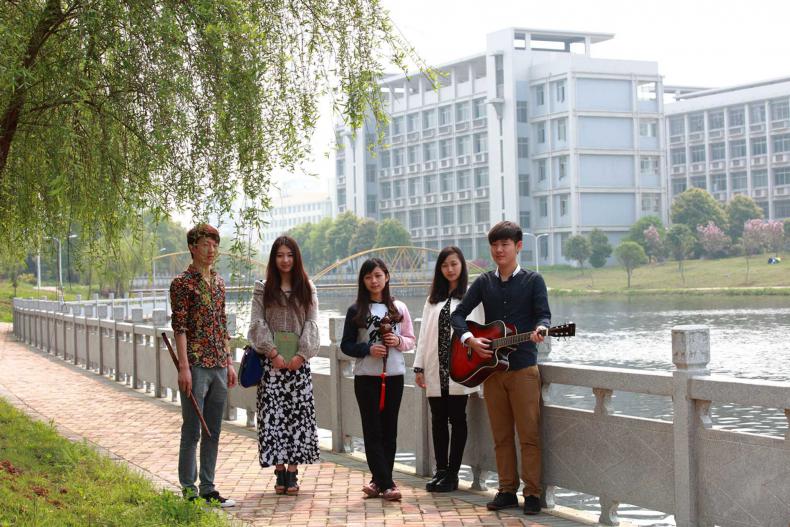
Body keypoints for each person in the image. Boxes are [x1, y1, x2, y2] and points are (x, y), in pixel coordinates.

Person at [450, 221, 551, 516]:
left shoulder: (534, 281)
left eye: (505, 244)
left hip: (523, 370)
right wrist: (470, 339)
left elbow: (543, 315)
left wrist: (541, 329)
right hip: (491, 371)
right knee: (501, 435)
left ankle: (532, 493)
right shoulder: (483, 283)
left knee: (529, 435)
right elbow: (458, 315)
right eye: (494, 245)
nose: (498, 250)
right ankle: (507, 490)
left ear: (518, 247)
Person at [169, 223, 237, 507]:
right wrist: (183, 367)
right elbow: (180, 327)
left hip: (219, 364)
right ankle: (189, 490)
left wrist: (230, 361)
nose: (211, 250)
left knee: (213, 429)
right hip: (195, 365)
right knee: (192, 430)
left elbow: (222, 325)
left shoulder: (219, 283)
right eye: (205, 245)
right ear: (192, 248)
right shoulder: (182, 284)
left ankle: (208, 488)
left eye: (214, 245)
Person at [247, 235, 320, 495]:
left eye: (290, 255)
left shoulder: (307, 288)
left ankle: (293, 470)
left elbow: (312, 323)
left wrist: (302, 355)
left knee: (297, 418)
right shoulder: (262, 288)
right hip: (271, 365)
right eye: (280, 255)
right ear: (273, 259)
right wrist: (273, 352)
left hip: (299, 365)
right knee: (273, 417)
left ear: (296, 257)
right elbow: (257, 323)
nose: (285, 260)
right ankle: (279, 471)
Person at [340, 258, 416, 501]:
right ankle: (388, 484)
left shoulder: (399, 308)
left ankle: (377, 481)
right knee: (372, 430)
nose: (374, 281)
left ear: (387, 277)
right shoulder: (356, 310)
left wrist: (398, 342)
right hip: (366, 378)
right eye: (368, 277)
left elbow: (411, 340)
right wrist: (367, 349)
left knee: (389, 430)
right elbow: (346, 345)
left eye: (378, 275)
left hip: (394, 376)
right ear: (363, 281)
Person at [413, 246, 483, 492]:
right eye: (444, 265)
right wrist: (418, 367)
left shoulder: (471, 298)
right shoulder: (433, 299)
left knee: (458, 419)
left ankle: (453, 474)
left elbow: (480, 331)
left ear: (461, 265)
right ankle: (440, 470)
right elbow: (423, 336)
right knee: (438, 420)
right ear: (439, 269)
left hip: (459, 369)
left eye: (454, 264)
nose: (450, 269)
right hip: (435, 368)